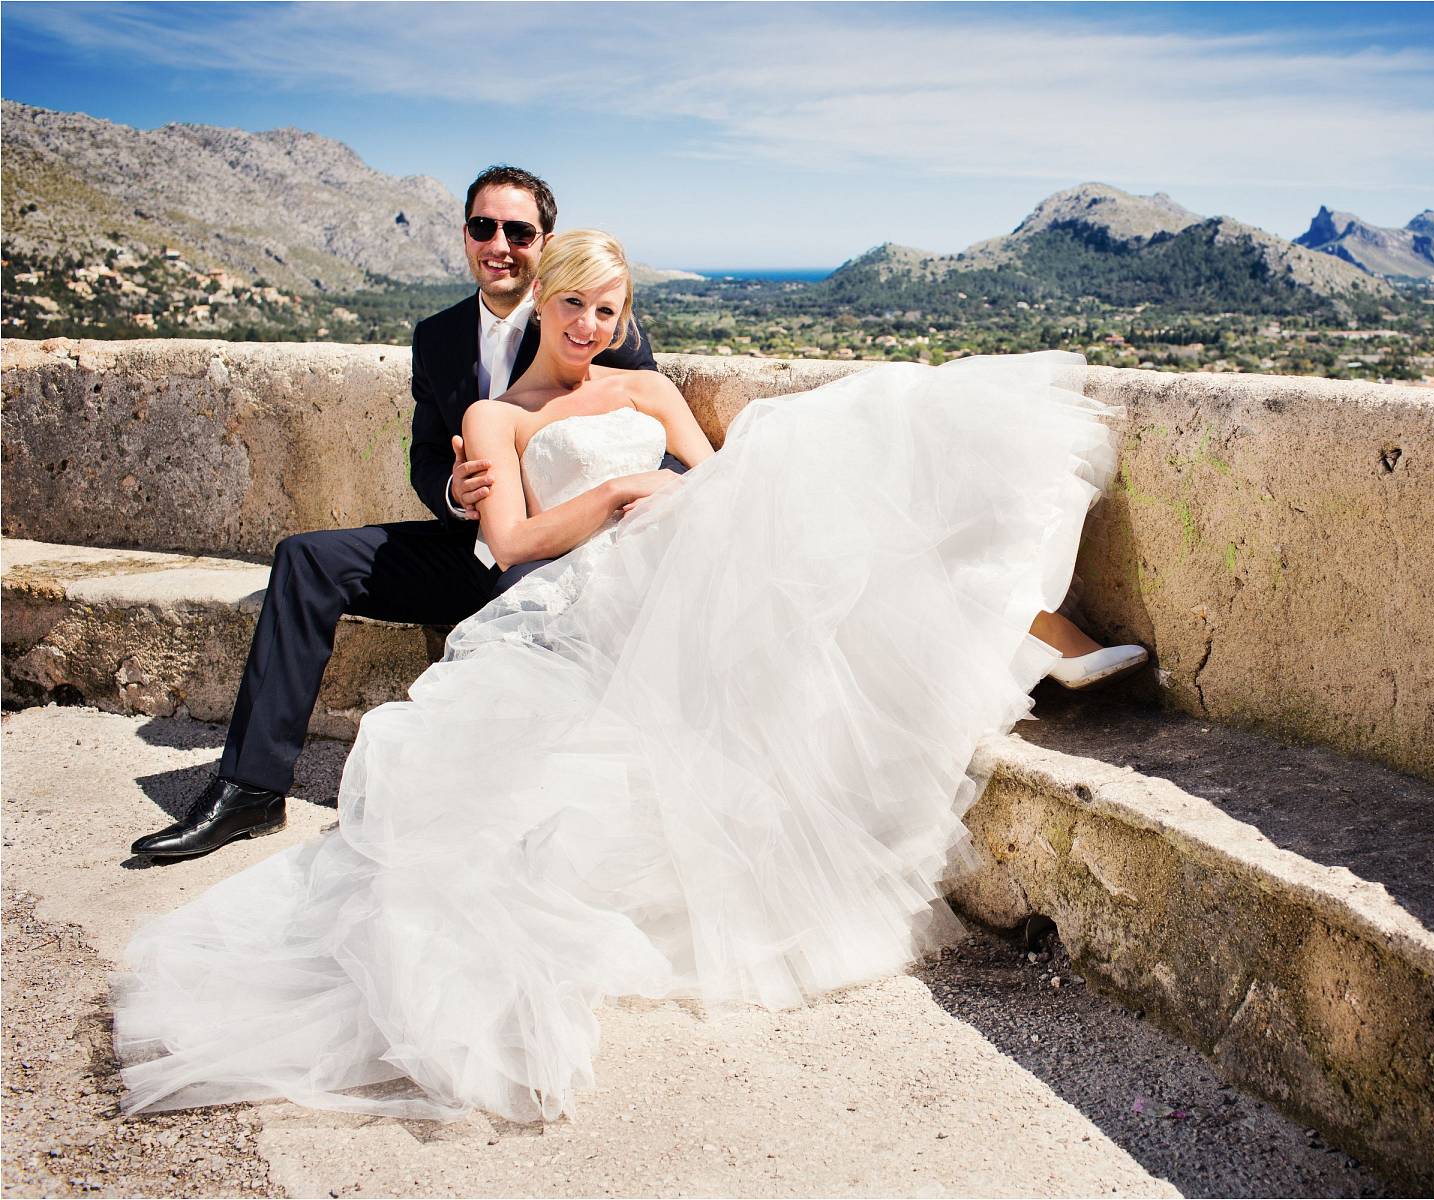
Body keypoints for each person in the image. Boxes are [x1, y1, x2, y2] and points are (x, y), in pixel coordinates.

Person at [114, 229, 1148, 1123]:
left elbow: (717, 482)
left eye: (608, 309)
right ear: (540, 300)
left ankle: (1031, 627)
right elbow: (513, 541)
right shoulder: (498, 420)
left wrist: (675, 492)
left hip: (679, 554)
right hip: (581, 589)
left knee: (827, 468)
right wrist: (614, 493)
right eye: (573, 304)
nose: (590, 324)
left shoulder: (651, 387)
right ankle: (1030, 635)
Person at [128, 166, 679, 862]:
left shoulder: (596, 321)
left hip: (571, 565)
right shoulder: (438, 335)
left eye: (519, 231)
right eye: (485, 228)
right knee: (305, 557)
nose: (500, 244)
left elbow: (654, 443)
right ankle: (250, 790)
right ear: (467, 236)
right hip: (475, 546)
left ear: (545, 243)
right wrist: (455, 490)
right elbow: (423, 455)